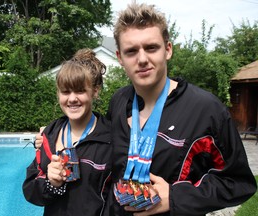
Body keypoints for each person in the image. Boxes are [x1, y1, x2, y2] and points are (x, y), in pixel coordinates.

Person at [103, 2, 257, 216]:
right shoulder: (118, 101)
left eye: (151, 47)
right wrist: (57, 133)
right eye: (131, 51)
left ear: (167, 49)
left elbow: (239, 182)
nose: (142, 59)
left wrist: (176, 197)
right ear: (120, 58)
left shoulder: (206, 109)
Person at [22, 48, 112, 216]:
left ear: (95, 91)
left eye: (80, 91)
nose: (72, 99)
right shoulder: (49, 136)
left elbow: (117, 201)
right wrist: (51, 183)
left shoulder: (111, 139)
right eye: (65, 91)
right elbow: (30, 191)